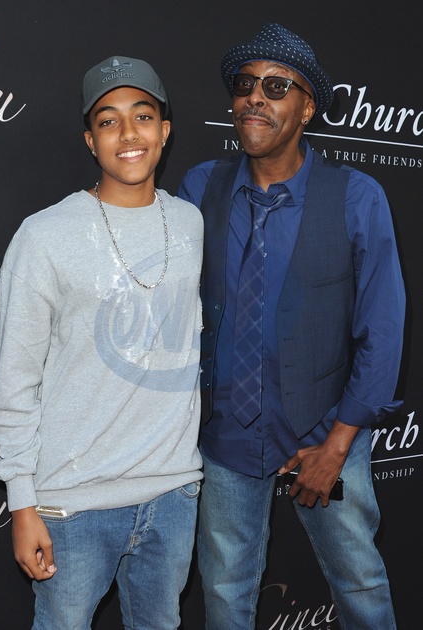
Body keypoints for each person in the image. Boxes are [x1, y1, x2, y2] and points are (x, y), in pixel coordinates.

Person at [178, 23, 405, 630]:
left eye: (276, 86)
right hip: (226, 434)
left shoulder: (357, 197)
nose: (255, 97)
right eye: (245, 84)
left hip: (323, 431)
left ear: (307, 107)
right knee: (225, 593)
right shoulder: (200, 187)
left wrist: (337, 445)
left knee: (359, 582)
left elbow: (383, 332)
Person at [0, 55, 203, 630]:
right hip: (71, 506)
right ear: (90, 140)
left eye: (143, 116)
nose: (128, 133)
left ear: (165, 130)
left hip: (173, 495)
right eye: (109, 121)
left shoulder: (191, 224)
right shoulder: (44, 236)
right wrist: (22, 502)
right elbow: (14, 381)